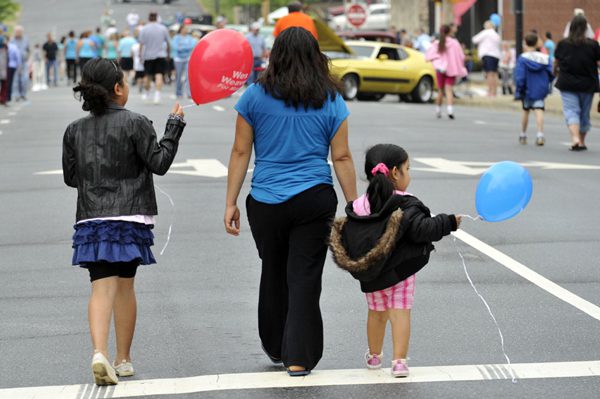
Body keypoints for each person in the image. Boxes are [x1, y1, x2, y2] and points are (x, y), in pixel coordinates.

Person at [224, 27, 357, 376]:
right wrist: (354, 204)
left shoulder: (253, 97)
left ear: (275, 56)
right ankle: (298, 356)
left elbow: (241, 151)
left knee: (273, 269)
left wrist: (231, 202)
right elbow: (341, 158)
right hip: (314, 198)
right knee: (305, 275)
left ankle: (274, 343)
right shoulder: (331, 100)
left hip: (266, 200)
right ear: (317, 56)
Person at [62, 58, 186, 386]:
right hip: (130, 217)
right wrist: (174, 126)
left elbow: (71, 178)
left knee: (100, 288)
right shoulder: (137, 123)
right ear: (118, 89)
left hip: (92, 218)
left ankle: (99, 353)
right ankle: (124, 359)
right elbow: (159, 163)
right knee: (126, 286)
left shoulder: (74, 130)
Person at [328, 144, 461, 378]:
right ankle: (399, 362)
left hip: (372, 272)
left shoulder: (359, 205)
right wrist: (449, 222)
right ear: (395, 173)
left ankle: (374, 356)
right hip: (402, 271)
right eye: (407, 168)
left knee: (376, 312)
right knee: (400, 312)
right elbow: (423, 230)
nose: (409, 174)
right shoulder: (406, 203)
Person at [554, 15, 600, 151]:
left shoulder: (563, 44)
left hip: (567, 83)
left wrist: (555, 72)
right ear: (586, 28)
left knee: (571, 111)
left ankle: (574, 138)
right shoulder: (593, 45)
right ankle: (581, 141)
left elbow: (556, 62)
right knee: (584, 114)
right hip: (588, 84)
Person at [514, 33, 554, 146]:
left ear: (526, 43)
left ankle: (523, 134)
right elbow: (551, 73)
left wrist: (519, 89)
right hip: (540, 87)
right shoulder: (545, 58)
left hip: (527, 88)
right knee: (539, 109)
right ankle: (540, 134)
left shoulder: (523, 58)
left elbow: (520, 76)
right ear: (537, 43)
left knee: (525, 110)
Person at [425, 24, 467, 119]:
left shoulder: (437, 43)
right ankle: (450, 110)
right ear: (450, 31)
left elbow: (429, 56)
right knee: (449, 90)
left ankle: (438, 110)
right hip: (451, 69)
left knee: (440, 90)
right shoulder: (455, 43)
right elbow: (461, 56)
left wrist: (438, 62)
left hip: (440, 69)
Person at [138, 12, 170, 104]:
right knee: (159, 75)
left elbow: (141, 44)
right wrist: (168, 54)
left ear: (149, 18)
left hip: (148, 56)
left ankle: (147, 92)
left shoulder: (144, 29)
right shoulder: (163, 28)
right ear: (157, 18)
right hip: (160, 55)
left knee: (148, 76)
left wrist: (140, 55)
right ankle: (157, 95)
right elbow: (168, 43)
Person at [472, 21, 501, 97]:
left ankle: (490, 91)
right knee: (494, 74)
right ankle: (494, 92)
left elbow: (474, 39)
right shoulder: (496, 35)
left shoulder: (486, 32)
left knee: (489, 74)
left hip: (488, 55)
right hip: (496, 55)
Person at [171, 24, 196, 99]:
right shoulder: (176, 37)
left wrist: (182, 47)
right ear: (181, 29)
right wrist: (185, 48)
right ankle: (178, 92)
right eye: (184, 28)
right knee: (178, 76)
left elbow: (192, 46)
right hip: (178, 59)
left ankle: (188, 93)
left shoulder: (189, 38)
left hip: (187, 58)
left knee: (188, 76)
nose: (185, 30)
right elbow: (175, 47)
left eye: (186, 29)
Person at [10, 25, 30, 101]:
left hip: (24, 62)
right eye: (17, 32)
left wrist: (27, 57)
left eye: (20, 31)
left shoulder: (26, 39)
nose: (18, 33)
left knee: (25, 79)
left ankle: (23, 94)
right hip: (14, 63)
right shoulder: (12, 41)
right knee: (16, 80)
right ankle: (16, 95)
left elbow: (28, 50)